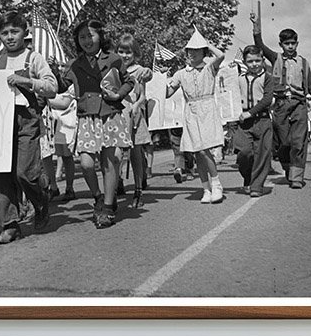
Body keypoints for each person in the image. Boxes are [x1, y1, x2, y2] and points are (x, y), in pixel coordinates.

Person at [0, 10, 58, 243]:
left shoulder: (33, 59)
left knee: (25, 172)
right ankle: (10, 225)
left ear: (25, 33)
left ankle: (41, 198)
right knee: (1, 175)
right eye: (4, 33)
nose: (10, 37)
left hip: (27, 119)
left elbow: (52, 87)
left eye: (15, 31)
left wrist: (26, 81)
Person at [65, 19, 136, 229]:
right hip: (87, 116)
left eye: (91, 35)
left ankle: (106, 208)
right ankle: (97, 196)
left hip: (109, 114)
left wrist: (118, 94)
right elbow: (61, 85)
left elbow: (129, 81)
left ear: (100, 37)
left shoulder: (113, 59)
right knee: (86, 163)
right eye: (82, 37)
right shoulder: (73, 64)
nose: (87, 40)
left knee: (111, 160)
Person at [249, 26, 311, 189]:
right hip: (281, 104)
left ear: (297, 44)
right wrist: (256, 28)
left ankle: (296, 177)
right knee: (283, 142)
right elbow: (260, 46)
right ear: (281, 44)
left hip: (299, 104)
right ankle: (288, 168)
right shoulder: (276, 59)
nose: (290, 46)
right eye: (286, 43)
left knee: (298, 141)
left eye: (293, 43)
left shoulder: (303, 62)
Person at [165, 29, 225, 203]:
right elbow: (168, 93)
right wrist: (161, 79)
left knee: (205, 149)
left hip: (207, 109)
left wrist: (207, 43)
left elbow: (220, 55)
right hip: (191, 112)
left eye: (196, 50)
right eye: (189, 50)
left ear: (203, 52)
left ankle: (217, 184)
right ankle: (206, 188)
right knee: (198, 152)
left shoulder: (209, 68)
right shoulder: (181, 74)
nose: (192, 53)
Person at [115, 33, 154, 208]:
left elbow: (143, 94)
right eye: (121, 51)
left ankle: (138, 189)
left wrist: (137, 105)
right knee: (115, 153)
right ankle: (116, 182)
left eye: (128, 52)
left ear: (135, 53)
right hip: (117, 113)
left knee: (135, 152)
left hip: (134, 113)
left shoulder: (139, 71)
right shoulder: (114, 69)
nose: (124, 56)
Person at [234, 44, 274, 197]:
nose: (254, 64)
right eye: (250, 61)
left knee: (262, 155)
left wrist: (250, 113)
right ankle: (248, 177)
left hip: (263, 121)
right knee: (244, 153)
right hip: (244, 123)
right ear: (244, 62)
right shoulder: (239, 79)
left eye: (257, 60)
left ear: (263, 60)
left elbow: (267, 99)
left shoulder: (268, 78)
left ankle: (256, 186)